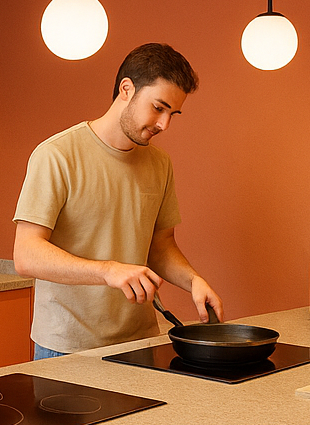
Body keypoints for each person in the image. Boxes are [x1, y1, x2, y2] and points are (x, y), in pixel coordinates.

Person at [13, 42, 224, 359]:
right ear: (126, 89)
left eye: (172, 113)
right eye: (158, 107)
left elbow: (160, 246)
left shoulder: (159, 164)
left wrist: (193, 280)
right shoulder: (56, 155)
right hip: (67, 347)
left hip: (139, 342)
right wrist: (107, 271)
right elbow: (26, 255)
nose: (164, 124)